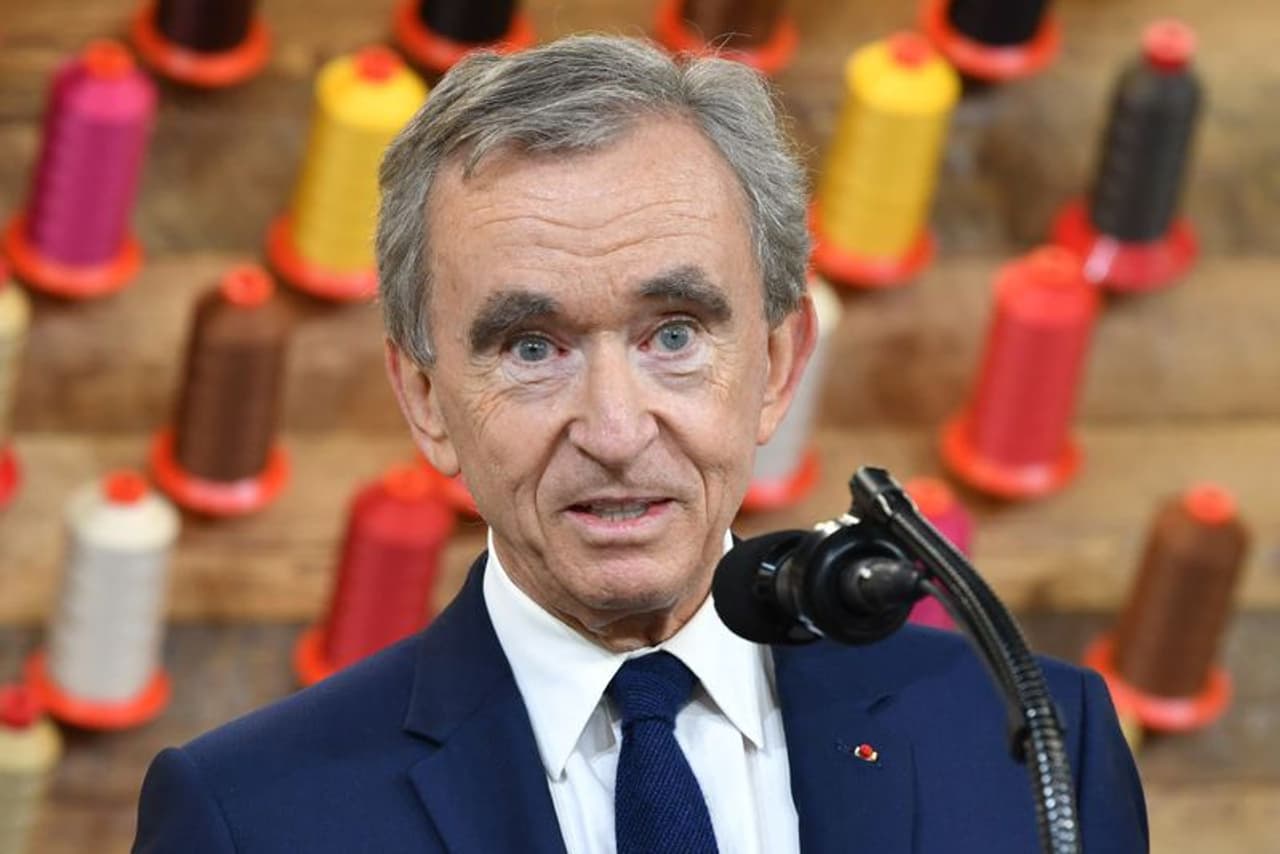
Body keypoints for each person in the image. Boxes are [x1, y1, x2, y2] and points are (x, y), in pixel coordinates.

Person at [133, 35, 1147, 853]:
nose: (615, 432)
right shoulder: (251, 819)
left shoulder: (1038, 747)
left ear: (777, 364)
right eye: (532, 347)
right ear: (427, 399)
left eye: (673, 336)